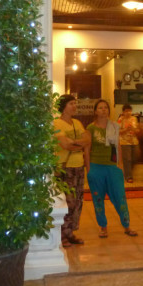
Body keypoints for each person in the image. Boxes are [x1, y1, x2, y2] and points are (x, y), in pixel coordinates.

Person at [84, 99, 138, 238]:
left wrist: (120, 166)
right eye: (100, 108)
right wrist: (89, 169)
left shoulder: (114, 126)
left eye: (105, 107)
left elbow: (118, 146)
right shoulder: (91, 128)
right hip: (96, 167)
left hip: (113, 167)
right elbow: (87, 149)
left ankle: (127, 225)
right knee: (98, 198)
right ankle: (103, 227)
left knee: (120, 196)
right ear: (95, 111)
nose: (103, 110)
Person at [54, 95, 90, 247]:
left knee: (77, 201)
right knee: (66, 201)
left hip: (79, 166)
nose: (74, 106)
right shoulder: (56, 123)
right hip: (65, 167)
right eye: (71, 103)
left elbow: (87, 141)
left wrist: (74, 142)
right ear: (63, 107)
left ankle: (70, 232)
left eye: (75, 103)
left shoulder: (77, 123)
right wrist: (78, 143)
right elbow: (65, 145)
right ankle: (62, 234)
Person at [117, 103, 140, 183]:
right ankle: (128, 176)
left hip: (134, 141)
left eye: (129, 111)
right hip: (124, 142)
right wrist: (126, 130)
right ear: (123, 112)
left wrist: (134, 129)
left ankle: (127, 172)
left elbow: (138, 130)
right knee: (127, 159)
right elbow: (118, 131)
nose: (128, 113)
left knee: (135, 158)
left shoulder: (134, 119)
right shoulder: (120, 119)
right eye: (126, 111)